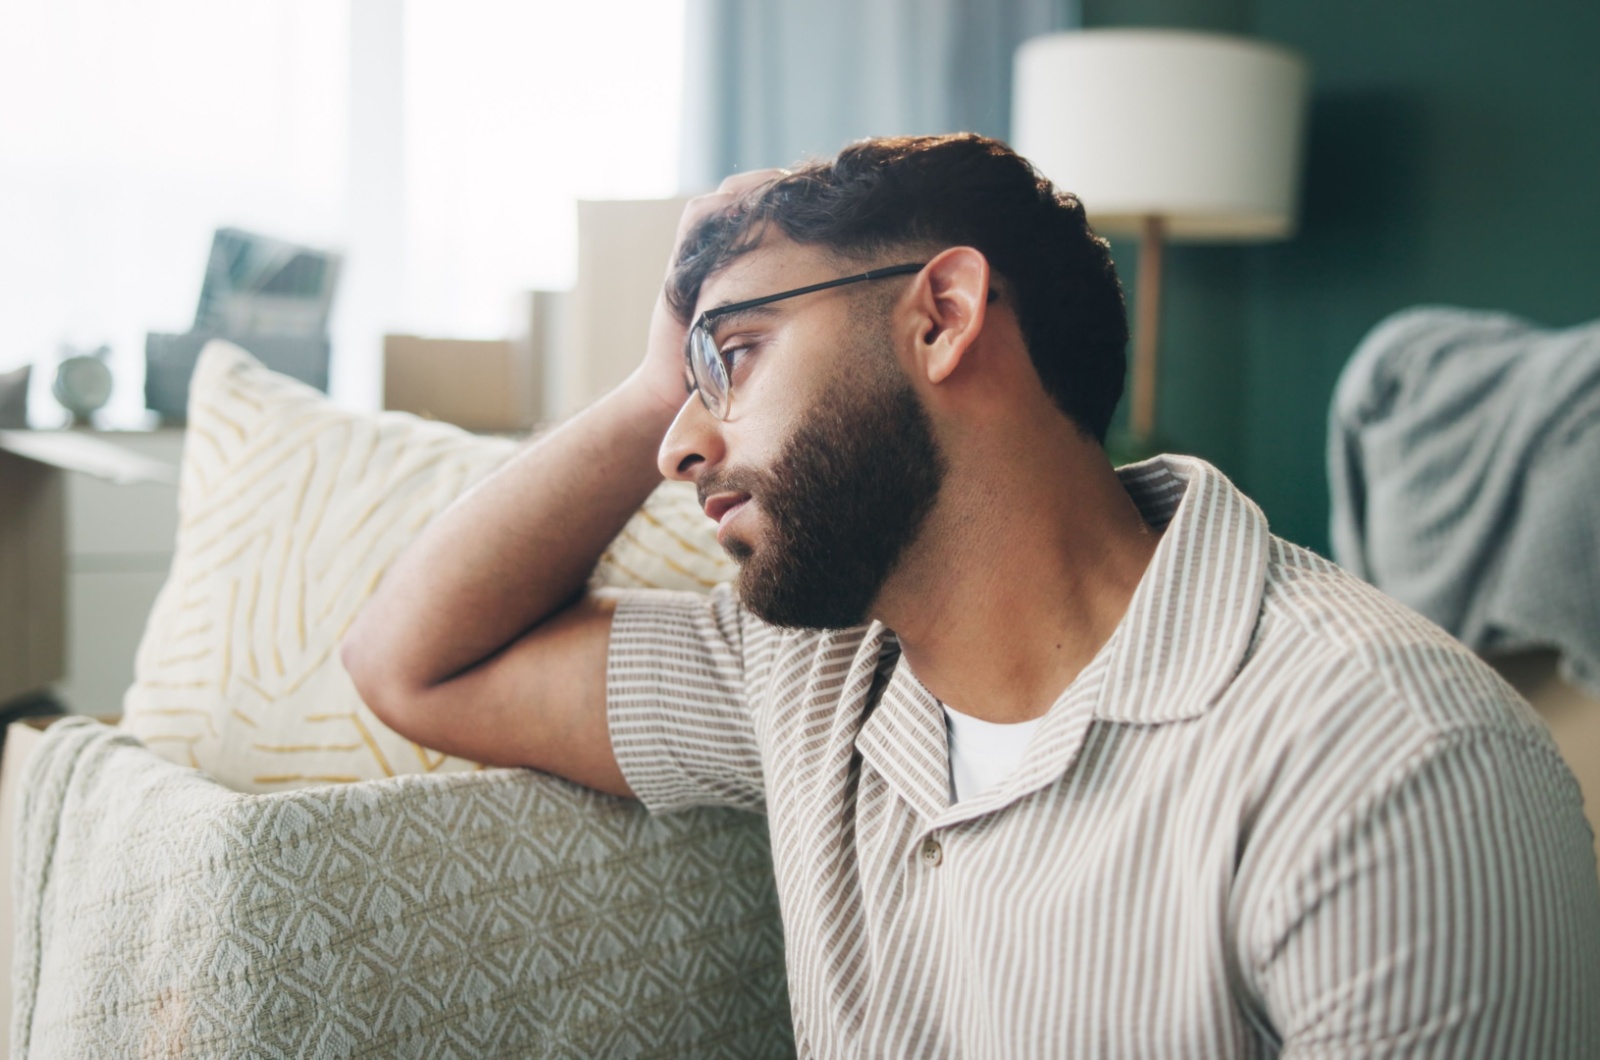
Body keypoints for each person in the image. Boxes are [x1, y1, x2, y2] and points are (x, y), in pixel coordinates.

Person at [342, 133, 1600, 1056]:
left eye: (733, 356)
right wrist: (651, 374)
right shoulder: (808, 676)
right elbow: (413, 662)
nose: (677, 445)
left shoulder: (1391, 766)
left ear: (940, 314)